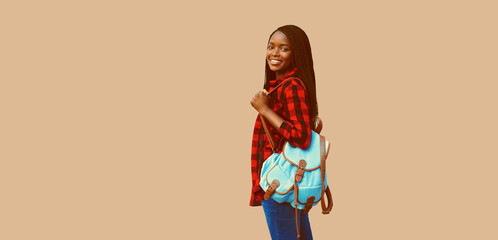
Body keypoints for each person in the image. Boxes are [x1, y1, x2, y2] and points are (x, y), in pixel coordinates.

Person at [250, 25, 319, 240]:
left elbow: (301, 136)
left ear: (296, 54)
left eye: (284, 48)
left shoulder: (292, 87)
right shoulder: (279, 87)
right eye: (271, 46)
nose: (274, 53)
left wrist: (264, 109)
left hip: (279, 183)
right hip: (285, 182)